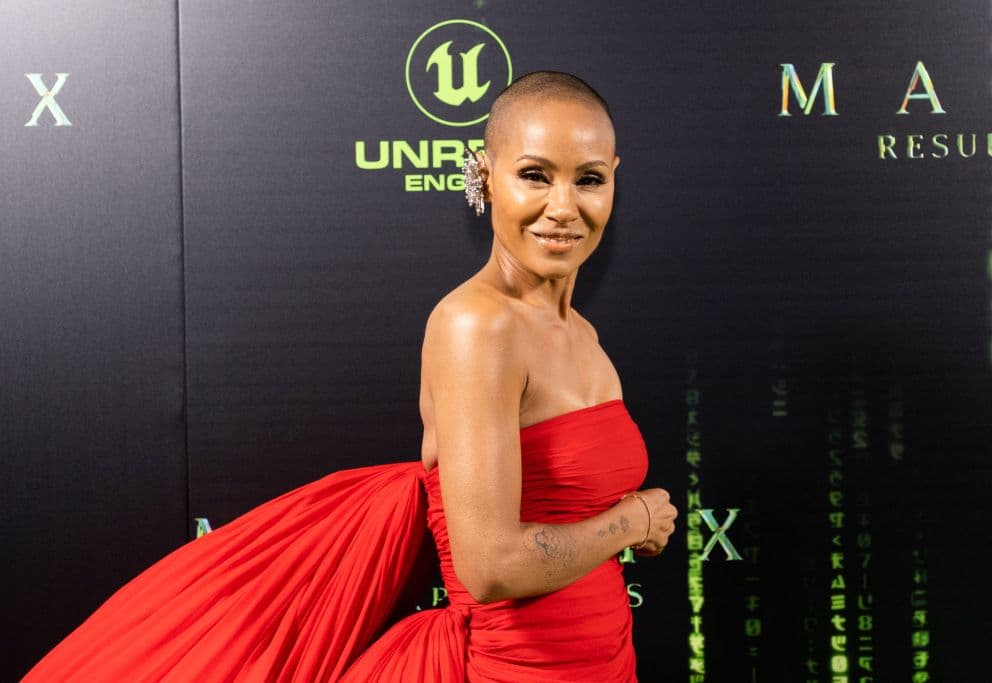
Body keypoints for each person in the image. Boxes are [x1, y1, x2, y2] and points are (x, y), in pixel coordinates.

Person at [21, 70, 678, 683]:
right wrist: (634, 520)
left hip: (599, 660)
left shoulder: (583, 337)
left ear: (614, 179)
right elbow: (492, 565)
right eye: (535, 175)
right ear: (484, 173)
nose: (564, 206)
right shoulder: (477, 326)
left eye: (588, 179)